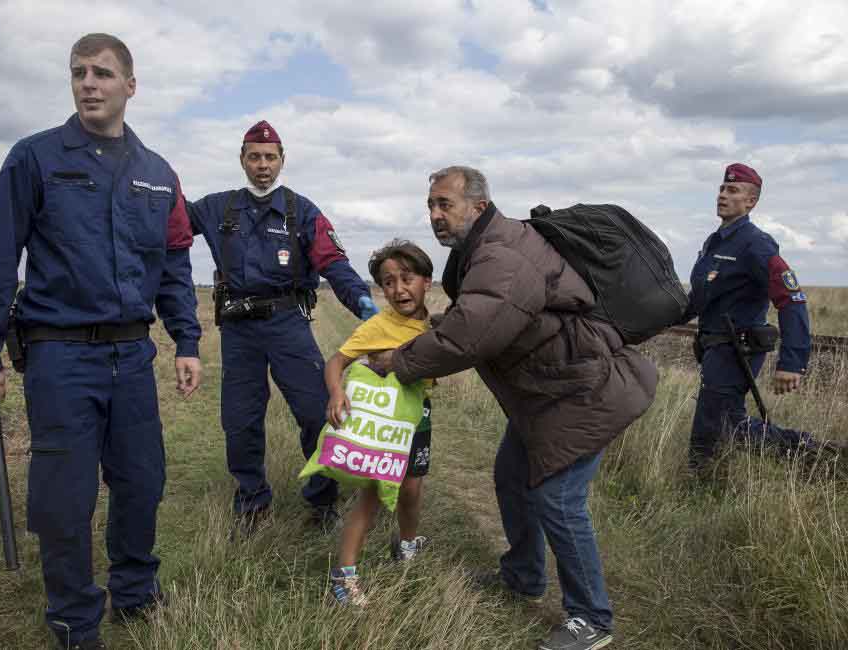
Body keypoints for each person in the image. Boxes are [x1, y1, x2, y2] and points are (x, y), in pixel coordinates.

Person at [0, 33, 201, 650]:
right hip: (60, 356)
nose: (89, 83)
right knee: (65, 498)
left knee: (143, 481)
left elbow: (172, 264)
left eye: (103, 73)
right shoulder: (34, 158)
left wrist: (187, 340)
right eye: (79, 73)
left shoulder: (157, 175)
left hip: (132, 355)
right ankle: (73, 619)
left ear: (130, 87)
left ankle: (137, 594)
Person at [372, 166, 657, 650]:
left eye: (446, 204)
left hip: (581, 391)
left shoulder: (501, 254)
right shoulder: (486, 249)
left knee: (558, 499)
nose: (436, 216)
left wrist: (401, 362)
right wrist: (432, 330)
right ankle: (524, 576)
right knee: (511, 476)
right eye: (432, 207)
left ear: (479, 206)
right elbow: (485, 315)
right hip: (549, 393)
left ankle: (592, 618)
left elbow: (473, 334)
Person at [187, 121, 377, 534]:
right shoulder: (216, 208)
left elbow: (333, 262)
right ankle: (252, 502)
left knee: (315, 412)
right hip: (238, 330)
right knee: (240, 420)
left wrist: (364, 304)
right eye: (254, 156)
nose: (262, 165)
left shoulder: (302, 211)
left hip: (288, 324)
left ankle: (322, 501)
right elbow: (168, 223)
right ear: (241, 159)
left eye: (270, 157)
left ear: (282, 161)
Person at [683, 163, 840, 471]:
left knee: (721, 425)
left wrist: (792, 362)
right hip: (714, 348)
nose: (722, 195)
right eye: (721, 189)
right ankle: (705, 478)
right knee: (722, 422)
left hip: (737, 348)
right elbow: (697, 300)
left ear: (751, 201)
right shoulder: (715, 243)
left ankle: (820, 456)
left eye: (732, 190)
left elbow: (792, 298)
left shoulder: (756, 244)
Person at [323, 239, 435, 606]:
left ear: (427, 282)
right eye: (388, 282)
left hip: (417, 422)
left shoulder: (436, 328)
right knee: (372, 493)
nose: (399, 289)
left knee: (413, 489)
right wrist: (337, 393)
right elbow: (336, 361)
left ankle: (406, 545)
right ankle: (344, 574)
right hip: (382, 425)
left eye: (407, 278)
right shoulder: (377, 327)